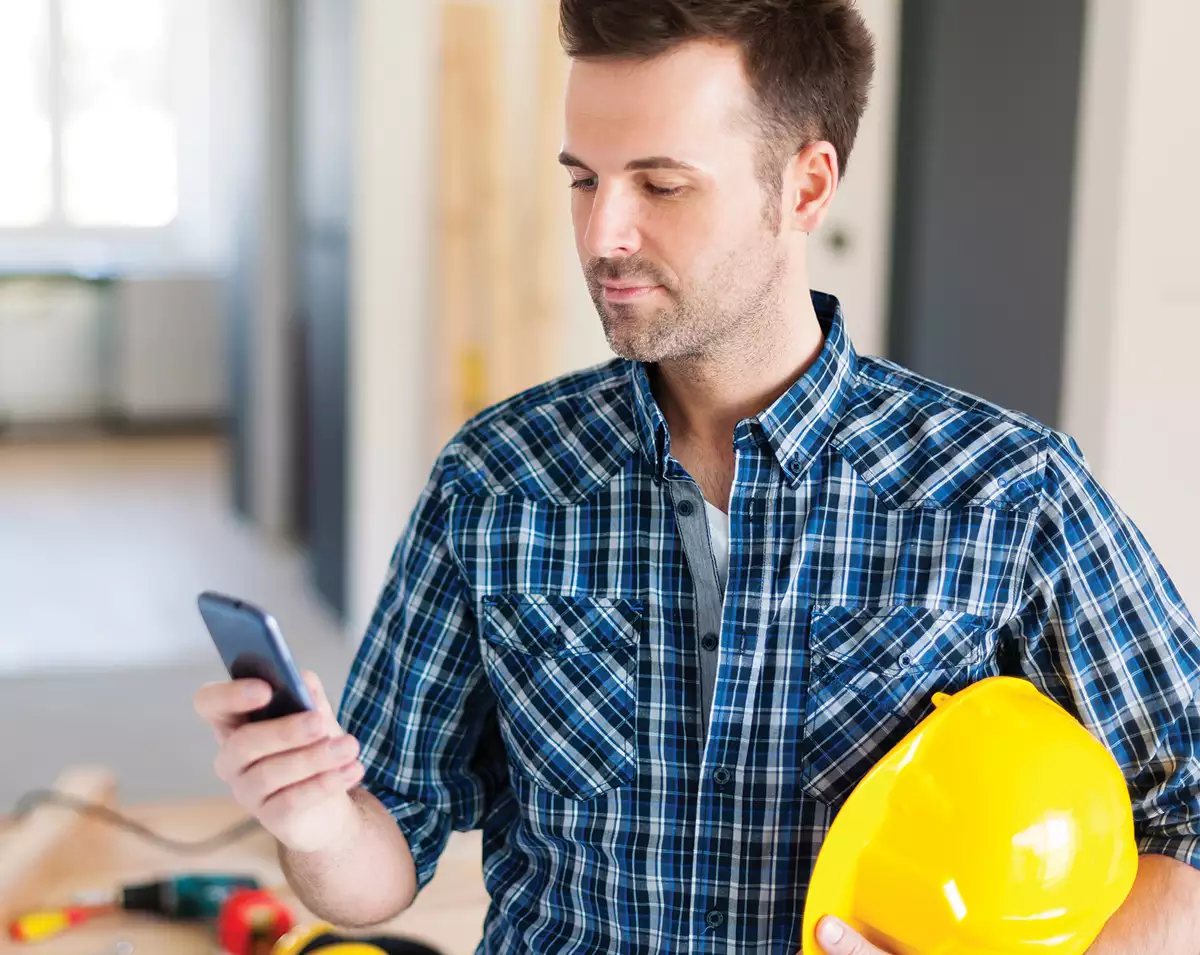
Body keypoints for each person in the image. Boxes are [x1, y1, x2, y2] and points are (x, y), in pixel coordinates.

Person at [195, 2, 1200, 952]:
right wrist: (318, 818)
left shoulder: (1009, 493)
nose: (602, 235)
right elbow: (381, 862)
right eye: (583, 179)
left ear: (805, 186)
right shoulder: (494, 481)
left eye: (660, 184)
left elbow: (1190, 808)